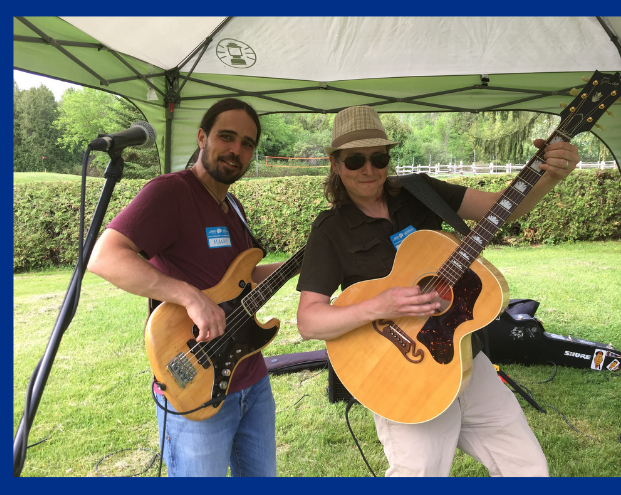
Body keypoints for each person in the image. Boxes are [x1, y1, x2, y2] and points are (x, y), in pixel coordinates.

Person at [295, 105, 579, 477]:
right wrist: (379, 305)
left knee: (527, 468)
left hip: (465, 357)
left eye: (379, 158)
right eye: (355, 161)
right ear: (335, 164)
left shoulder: (419, 191)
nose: (369, 169)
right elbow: (309, 321)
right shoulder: (330, 229)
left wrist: (549, 176)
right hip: (402, 370)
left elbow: (500, 209)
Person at [87, 98, 281, 477]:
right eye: (226, 137)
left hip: (251, 381)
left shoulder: (233, 205)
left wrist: (300, 268)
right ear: (202, 137)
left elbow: (241, 283)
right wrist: (190, 296)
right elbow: (104, 257)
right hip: (193, 381)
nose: (236, 150)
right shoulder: (170, 193)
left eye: (247, 143)